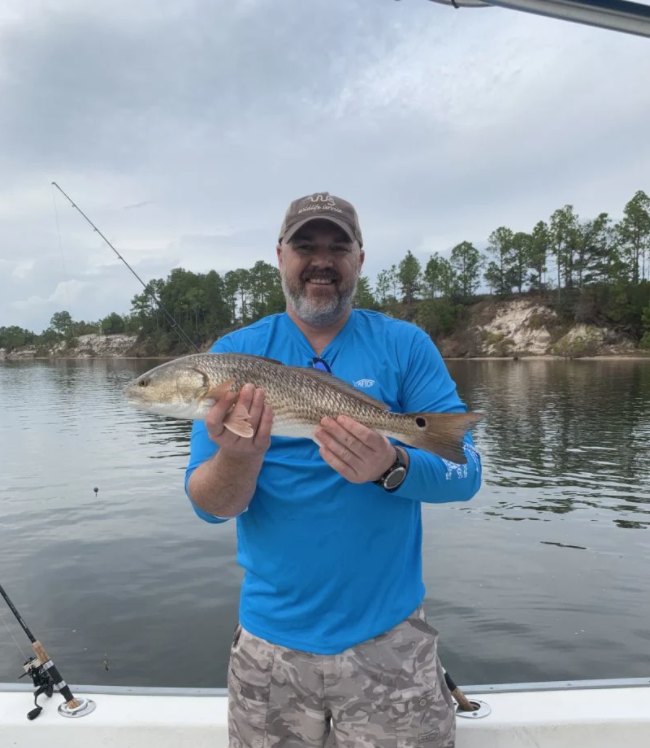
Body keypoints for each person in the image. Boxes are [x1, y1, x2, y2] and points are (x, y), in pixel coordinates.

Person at [185, 192, 482, 748]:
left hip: (391, 640)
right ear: (279, 255)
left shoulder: (404, 345)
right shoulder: (233, 356)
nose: (321, 259)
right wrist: (237, 454)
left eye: (337, 246)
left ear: (360, 259)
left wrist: (392, 465)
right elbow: (209, 506)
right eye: (305, 246)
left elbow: (465, 475)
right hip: (269, 649)